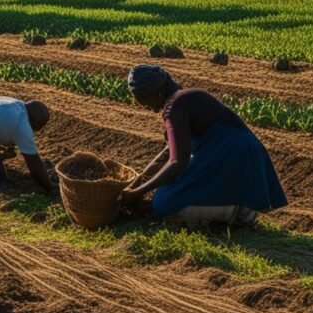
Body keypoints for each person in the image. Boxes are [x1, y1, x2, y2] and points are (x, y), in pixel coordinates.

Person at [121, 65, 287, 227]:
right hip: (236, 152)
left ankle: (234, 212)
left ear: (155, 92)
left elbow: (177, 162)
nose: (146, 108)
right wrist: (139, 180)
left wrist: (138, 192)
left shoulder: (174, 108)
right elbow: (168, 152)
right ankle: (235, 205)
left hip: (231, 154)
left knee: (163, 203)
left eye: (143, 101)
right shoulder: (182, 99)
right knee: (168, 190)